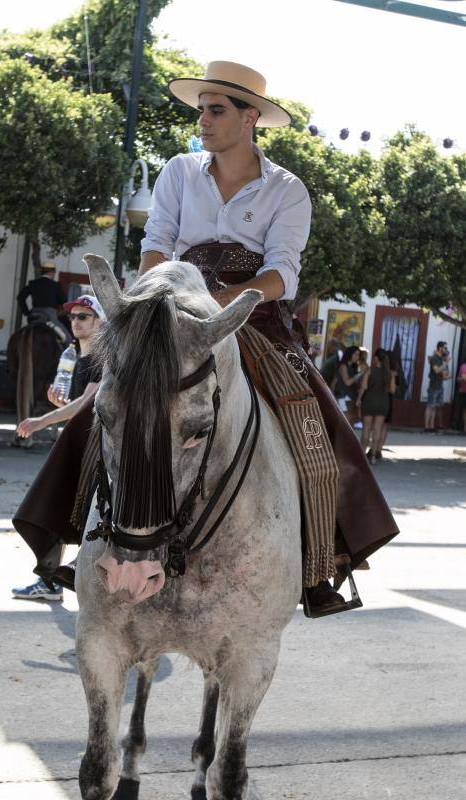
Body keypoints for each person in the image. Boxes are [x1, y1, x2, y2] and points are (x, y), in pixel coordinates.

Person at [138, 60, 398, 615]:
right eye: (201, 109)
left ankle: (321, 567)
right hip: (173, 308)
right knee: (114, 399)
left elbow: (283, 274)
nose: (203, 120)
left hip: (255, 319)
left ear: (250, 117)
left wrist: (218, 305)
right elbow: (156, 243)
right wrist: (169, 298)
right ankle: (70, 534)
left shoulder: (287, 189)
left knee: (316, 429)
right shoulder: (178, 172)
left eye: (216, 110)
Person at [12, 295, 105, 601]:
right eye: (73, 317)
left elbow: (88, 403)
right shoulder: (76, 356)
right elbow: (76, 405)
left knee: (86, 508)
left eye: (83, 317)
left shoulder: (101, 358)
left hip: (96, 446)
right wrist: (59, 406)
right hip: (78, 441)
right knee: (53, 506)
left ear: (99, 321)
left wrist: (41, 420)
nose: (75, 322)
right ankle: (51, 580)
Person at [17, 262, 71, 344]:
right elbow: (64, 301)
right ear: (52, 272)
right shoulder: (55, 285)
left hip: (34, 315)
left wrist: (27, 313)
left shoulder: (33, 283)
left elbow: (20, 297)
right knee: (68, 339)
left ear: (42, 272)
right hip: (50, 316)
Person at [356, 348, 392, 465]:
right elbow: (391, 390)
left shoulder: (370, 371)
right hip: (383, 403)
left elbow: (364, 386)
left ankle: (361, 455)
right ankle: (373, 457)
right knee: (377, 429)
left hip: (369, 401)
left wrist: (359, 399)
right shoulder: (389, 373)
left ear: (376, 358)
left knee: (366, 428)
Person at [424, 341, 450, 433]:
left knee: (434, 407)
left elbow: (443, 374)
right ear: (440, 348)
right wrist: (445, 364)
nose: (446, 350)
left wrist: (447, 374)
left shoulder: (441, 359)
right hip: (433, 386)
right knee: (430, 406)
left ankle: (431, 427)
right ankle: (426, 427)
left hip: (440, 386)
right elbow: (436, 370)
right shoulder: (435, 358)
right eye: (445, 348)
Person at [334, 346, 362, 426]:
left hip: (350, 396)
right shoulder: (343, 366)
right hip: (344, 396)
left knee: (350, 422)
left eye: (358, 355)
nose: (357, 357)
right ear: (350, 354)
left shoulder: (353, 367)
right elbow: (347, 382)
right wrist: (358, 375)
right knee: (346, 423)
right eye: (356, 354)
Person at [458, 360, 466, 434]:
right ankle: (465, 427)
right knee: (464, 410)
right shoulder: (464, 366)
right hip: (464, 391)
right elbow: (464, 377)